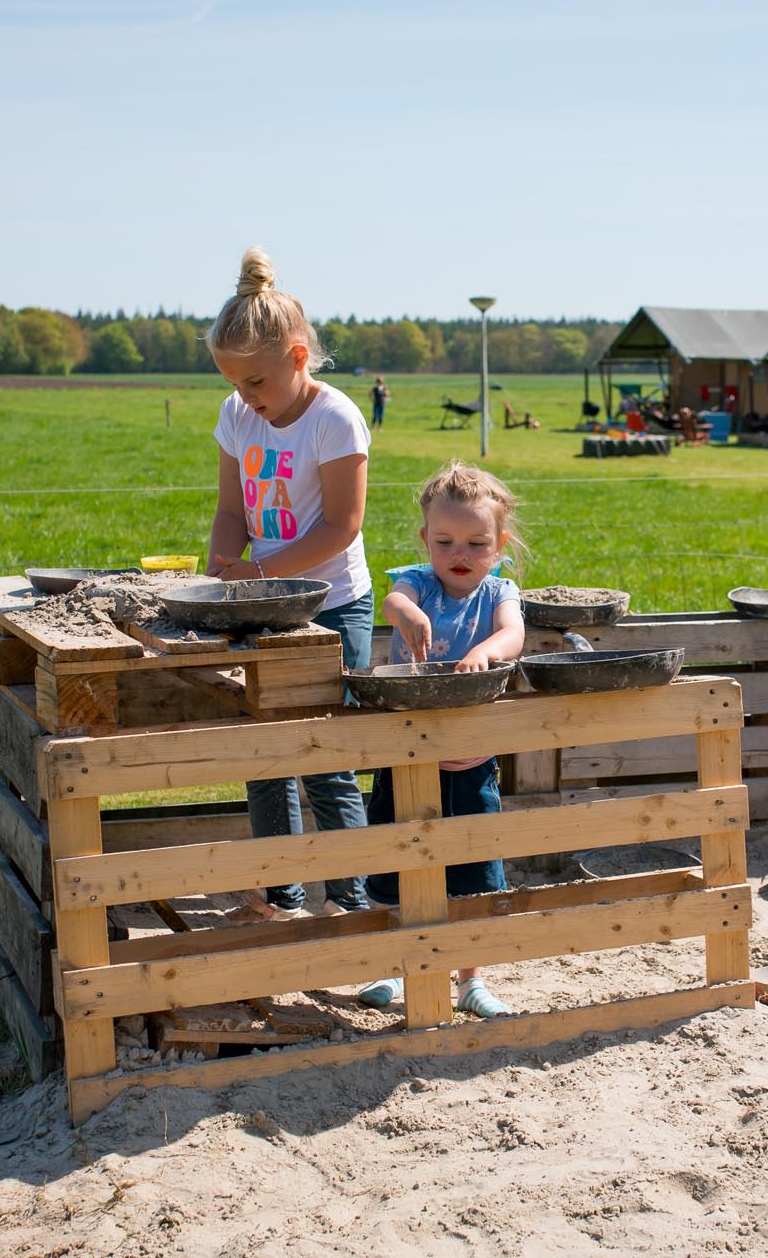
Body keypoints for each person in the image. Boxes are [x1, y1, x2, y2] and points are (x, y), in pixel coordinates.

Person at [207, 246, 374, 921]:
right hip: (263, 606)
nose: (247, 399)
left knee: (325, 758)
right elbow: (230, 512)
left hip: (331, 607)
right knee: (264, 754)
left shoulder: (335, 420)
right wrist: (223, 571)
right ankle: (282, 899)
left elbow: (340, 527)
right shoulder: (238, 416)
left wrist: (258, 573)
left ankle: (354, 901)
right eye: (236, 384)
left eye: (257, 384)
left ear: (299, 357)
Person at [358, 462, 526, 1019]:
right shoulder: (418, 582)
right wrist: (406, 611)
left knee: (472, 871)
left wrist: (489, 651)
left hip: (469, 757)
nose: (461, 552)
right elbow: (393, 602)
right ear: (425, 540)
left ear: (499, 545)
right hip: (406, 753)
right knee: (394, 863)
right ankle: (392, 964)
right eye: (445, 540)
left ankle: (470, 979)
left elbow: (514, 632)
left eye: (477, 542)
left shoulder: (499, 590)